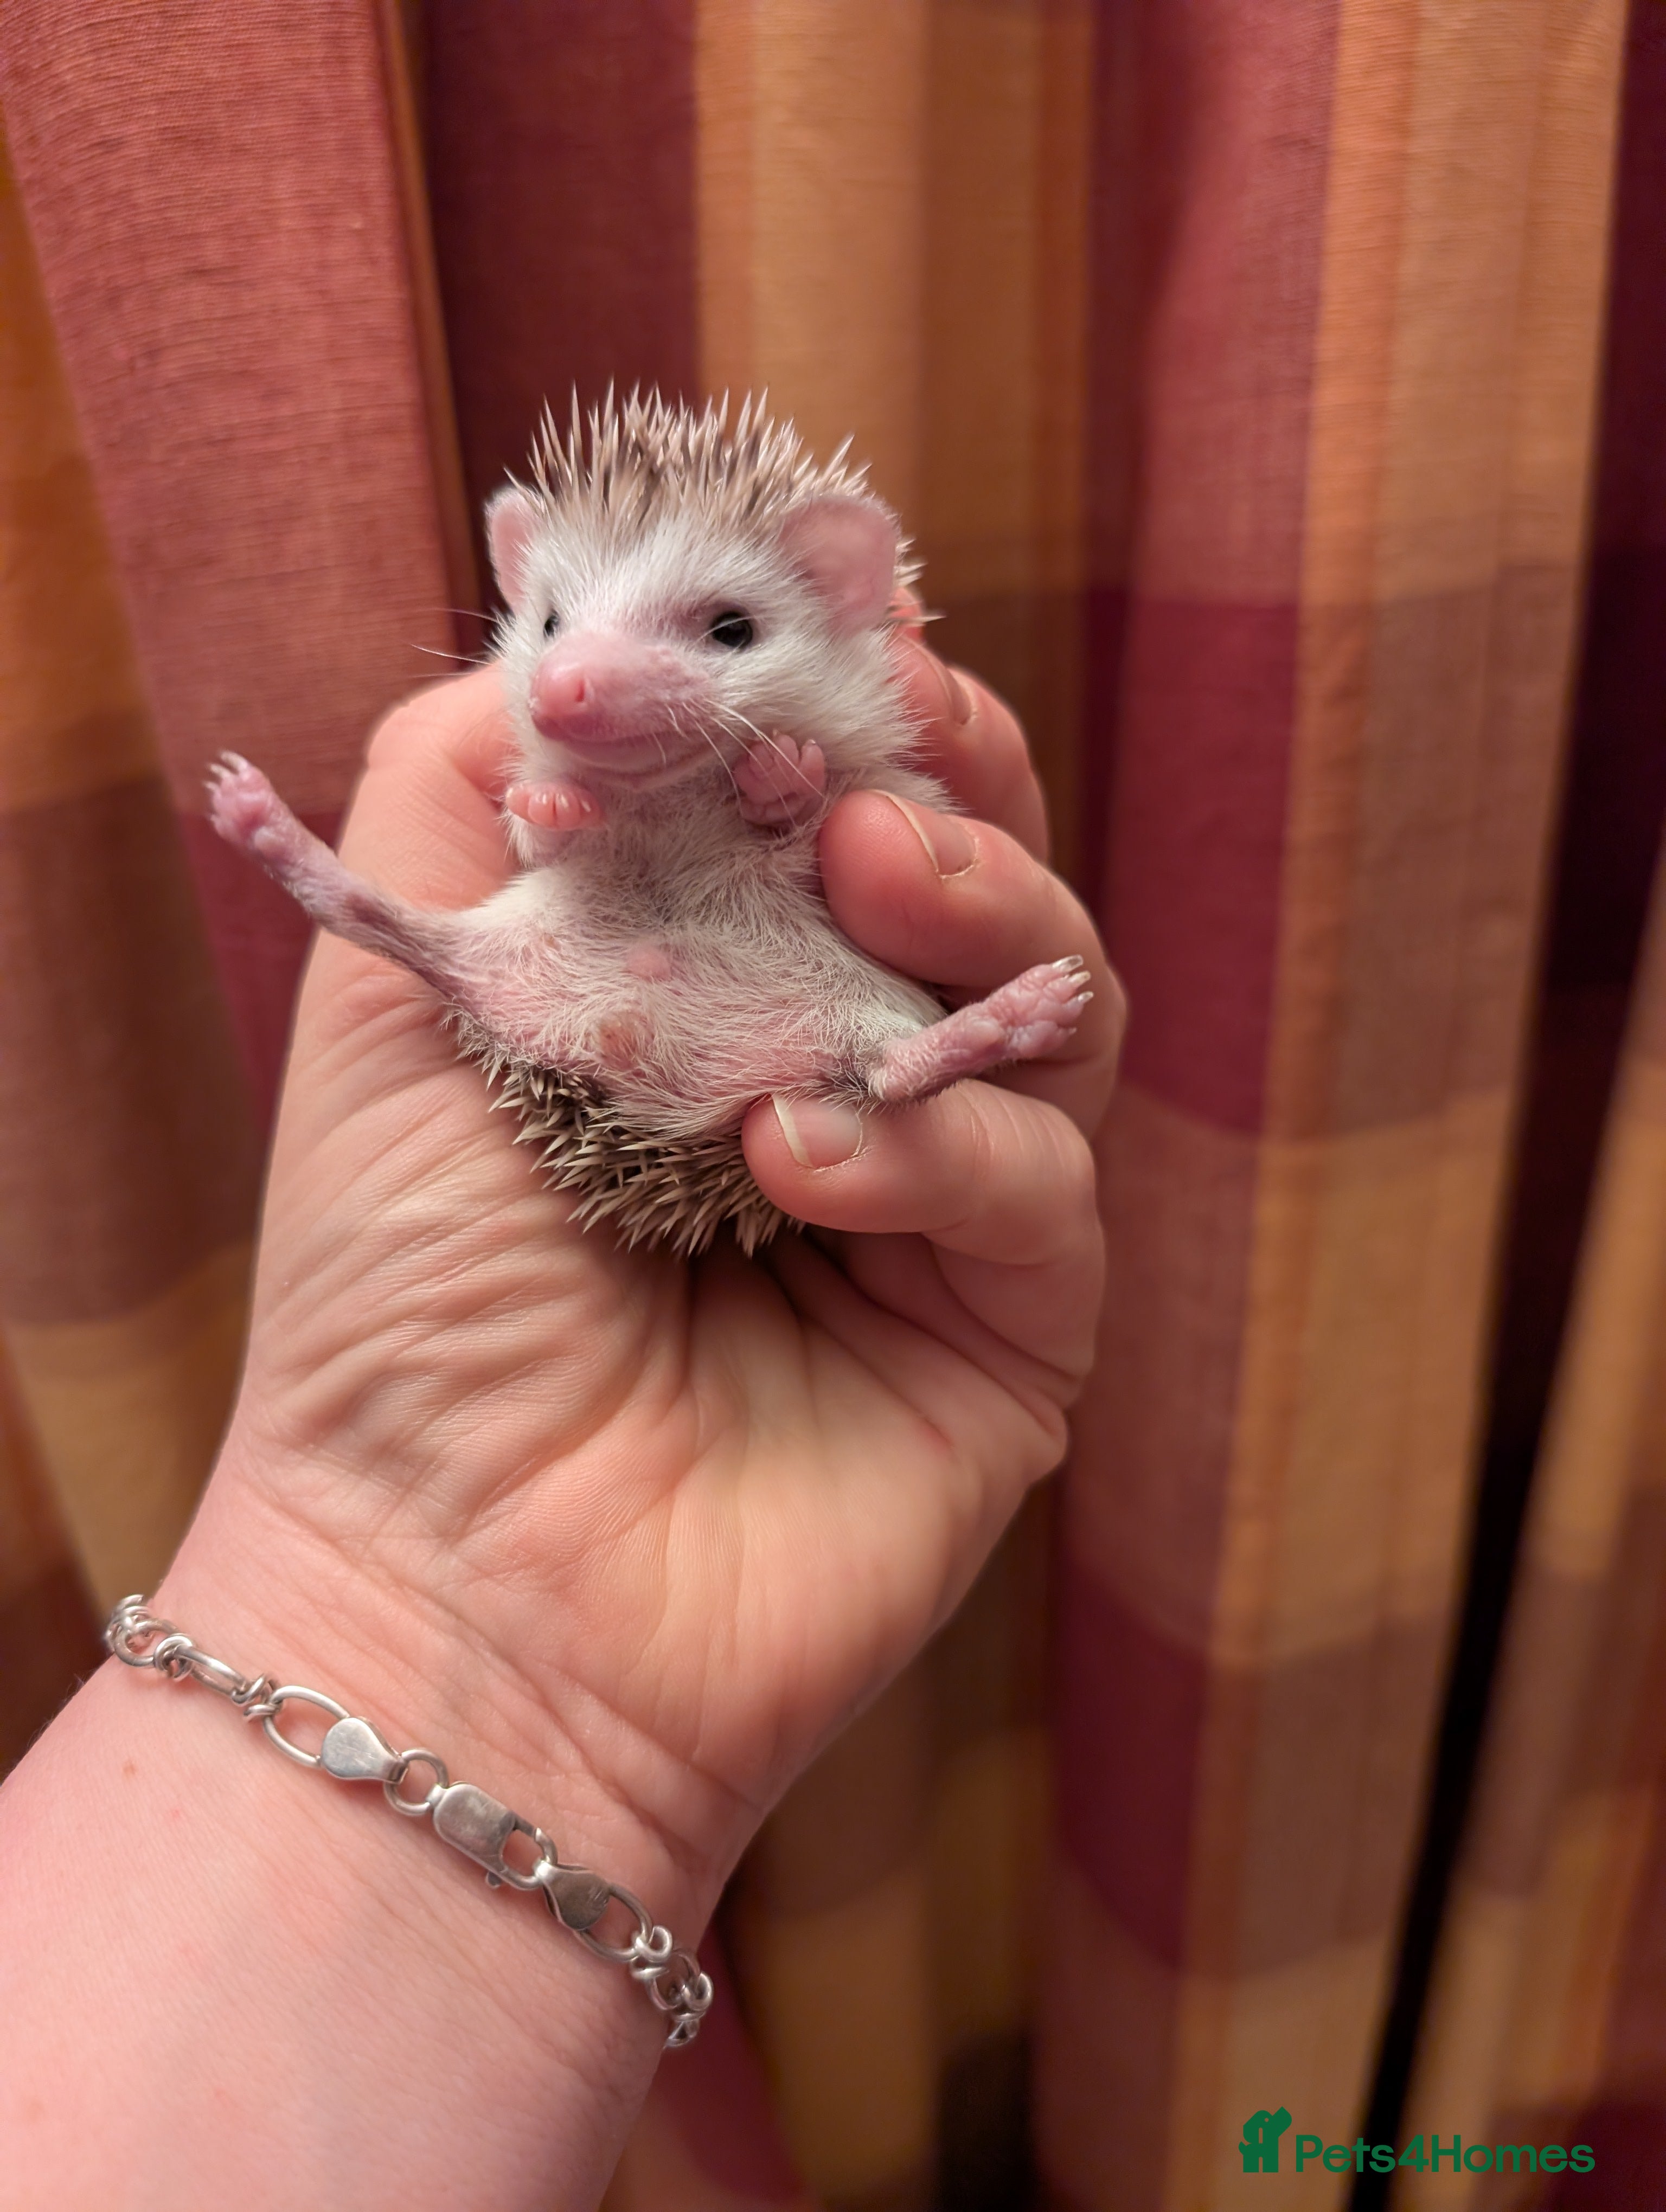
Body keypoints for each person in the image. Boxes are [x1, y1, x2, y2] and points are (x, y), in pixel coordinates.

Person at [0, 623, 1123, 2209]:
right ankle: (338, 884)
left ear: (845, 602)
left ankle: (951, 1041)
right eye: (553, 630)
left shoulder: (810, 761)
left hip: (757, 1007)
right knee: (496, 940)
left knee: (854, 1042)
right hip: (610, 993)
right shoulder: (561, 775)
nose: (590, 675)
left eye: (723, 626)